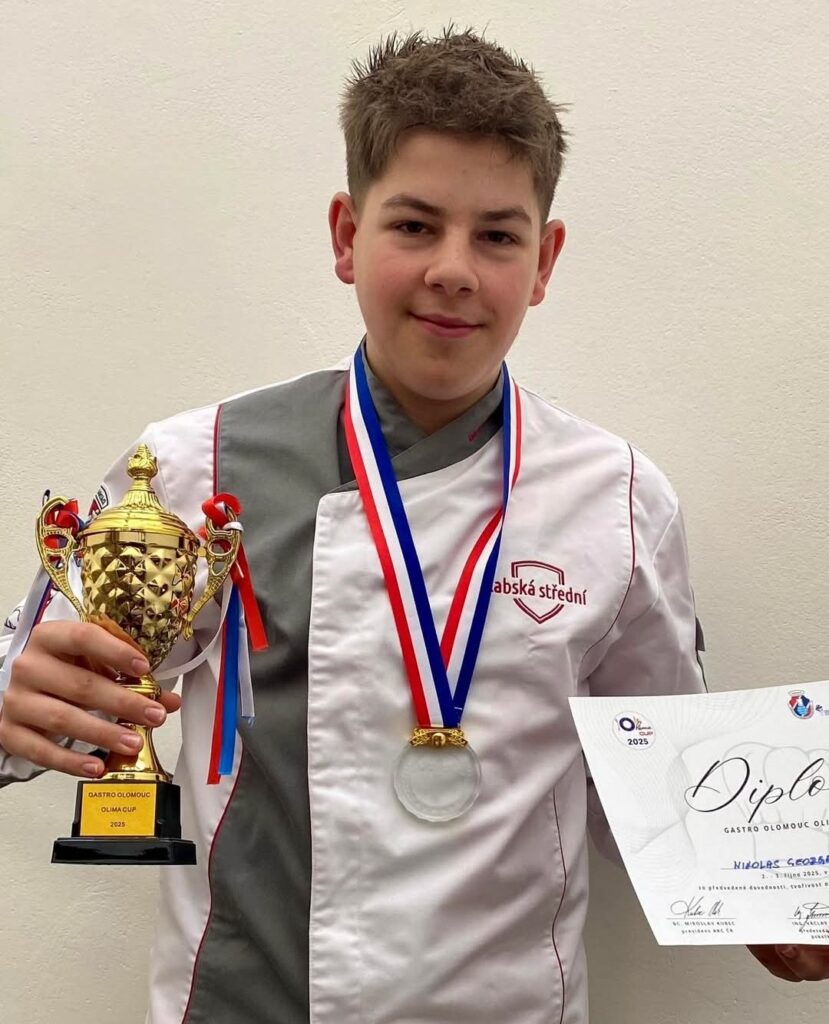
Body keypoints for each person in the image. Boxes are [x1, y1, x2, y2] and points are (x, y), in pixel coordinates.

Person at [0, 25, 826, 1024]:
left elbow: (654, 778)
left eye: (497, 236)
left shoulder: (617, 499)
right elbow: (47, 688)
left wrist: (769, 898)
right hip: (249, 1003)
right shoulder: (195, 466)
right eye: (415, 225)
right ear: (346, 236)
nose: (453, 270)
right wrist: (17, 704)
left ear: (544, 260)